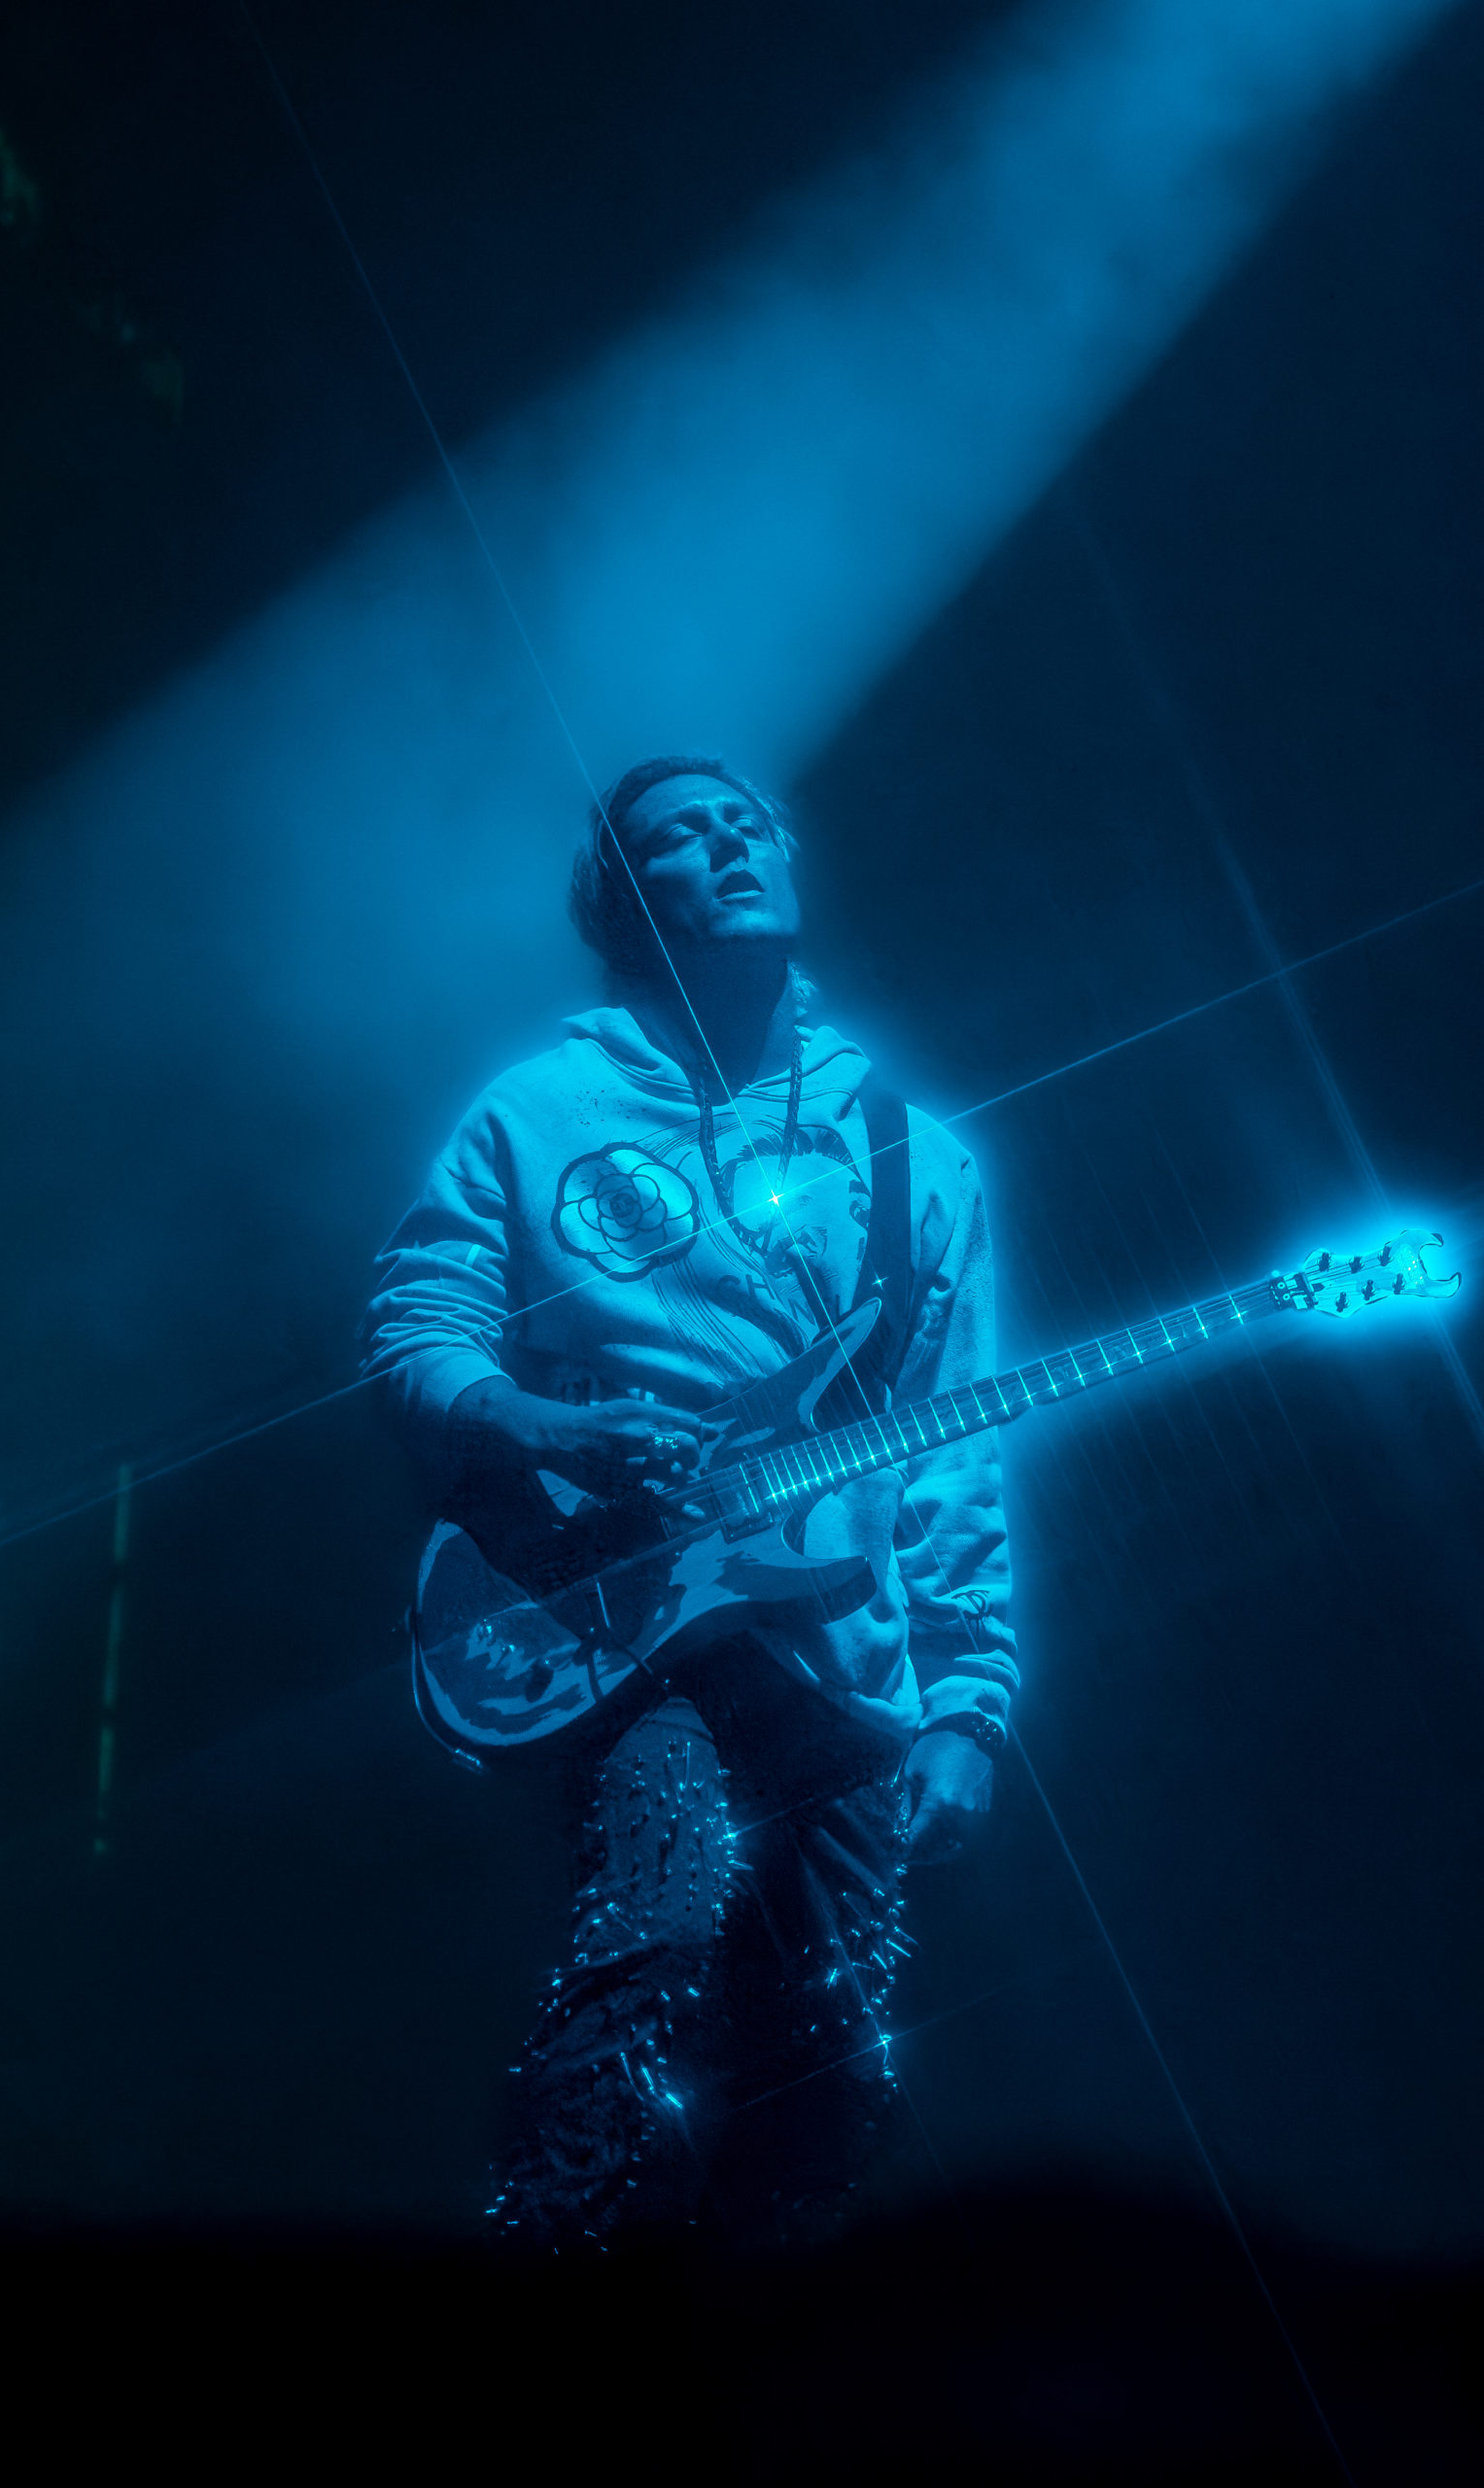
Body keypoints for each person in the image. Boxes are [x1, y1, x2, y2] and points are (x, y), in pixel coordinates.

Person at [361, 756, 1018, 2247]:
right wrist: (540, 1422)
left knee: (832, 2062)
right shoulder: (538, 1112)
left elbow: (955, 1447)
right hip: (609, 1608)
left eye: (747, 822)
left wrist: (972, 1703)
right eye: (678, 836)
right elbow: (417, 1324)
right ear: (620, 901)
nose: (727, 844)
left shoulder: (920, 1158)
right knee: (653, 1932)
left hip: (842, 1657)